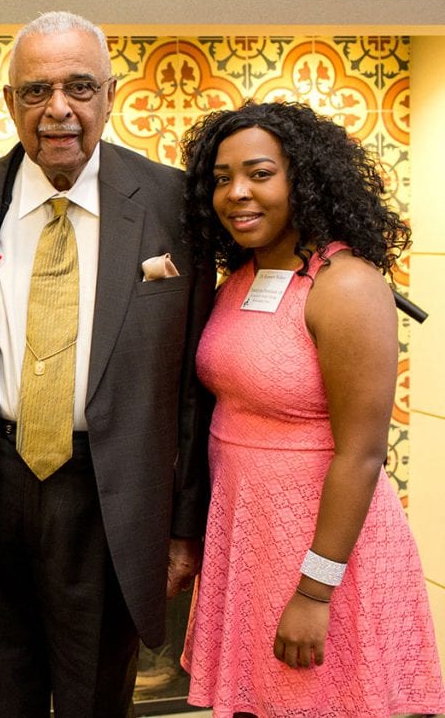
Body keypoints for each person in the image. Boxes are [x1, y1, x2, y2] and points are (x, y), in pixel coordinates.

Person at [0, 11, 215, 716]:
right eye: (36, 92)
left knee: (96, 695)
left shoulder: (176, 208)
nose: (58, 110)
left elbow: (192, 394)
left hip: (112, 498)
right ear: (9, 103)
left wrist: (185, 524)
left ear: (110, 93)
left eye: (79, 87)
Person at [179, 101, 445, 716]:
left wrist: (315, 592)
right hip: (249, 540)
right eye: (221, 179)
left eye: (259, 173)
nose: (237, 193)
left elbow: (362, 454)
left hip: (320, 555)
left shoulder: (346, 285)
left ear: (305, 178)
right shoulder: (240, 278)